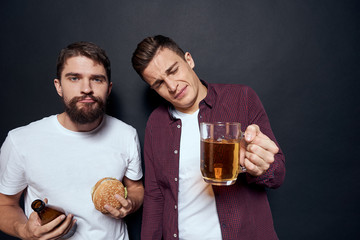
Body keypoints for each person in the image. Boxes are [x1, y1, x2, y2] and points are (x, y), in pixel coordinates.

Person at [131, 35, 285, 240]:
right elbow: (155, 195)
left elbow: (278, 174)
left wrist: (260, 164)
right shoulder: (155, 123)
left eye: (173, 70)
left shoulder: (241, 98)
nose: (172, 86)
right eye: (159, 83)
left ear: (189, 60)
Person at [0, 41, 144, 240]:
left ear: (108, 88)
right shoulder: (20, 140)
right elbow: (4, 204)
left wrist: (130, 205)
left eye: (97, 79)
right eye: (74, 78)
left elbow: (136, 188)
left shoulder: (126, 134)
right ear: (58, 86)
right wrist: (23, 230)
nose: (86, 89)